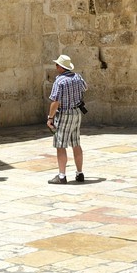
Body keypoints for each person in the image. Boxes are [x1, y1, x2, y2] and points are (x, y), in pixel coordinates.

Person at [46, 53, 87, 183]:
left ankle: (62, 176)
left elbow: (55, 102)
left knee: (60, 145)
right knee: (76, 143)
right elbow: (85, 87)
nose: (55, 66)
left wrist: (50, 118)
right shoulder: (77, 77)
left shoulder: (60, 81)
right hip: (77, 113)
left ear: (60, 67)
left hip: (65, 114)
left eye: (57, 64)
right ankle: (79, 173)